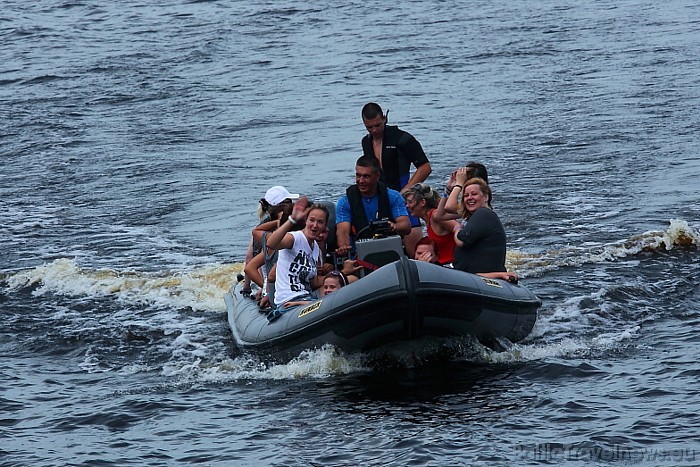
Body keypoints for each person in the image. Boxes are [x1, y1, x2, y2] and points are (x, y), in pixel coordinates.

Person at [361, 102, 431, 257]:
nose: (374, 130)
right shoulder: (366, 142)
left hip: (404, 195)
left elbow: (425, 167)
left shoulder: (402, 138)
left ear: (384, 118)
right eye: (369, 127)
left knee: (414, 247)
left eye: (377, 125)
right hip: (382, 196)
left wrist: (407, 189)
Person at [335, 155, 412, 257]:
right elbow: (343, 231)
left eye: (366, 176)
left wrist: (394, 226)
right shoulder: (345, 202)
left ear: (377, 176)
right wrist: (344, 246)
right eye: (358, 175)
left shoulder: (393, 197)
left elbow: (406, 226)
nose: (361, 181)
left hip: (389, 250)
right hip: (360, 254)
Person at [449, 174, 517, 282]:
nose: (469, 198)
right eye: (466, 195)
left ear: (486, 197)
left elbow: (462, 241)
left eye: (474, 194)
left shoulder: (483, 214)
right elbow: (441, 215)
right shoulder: (478, 217)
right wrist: (450, 189)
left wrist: (457, 229)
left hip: (480, 278)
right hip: (472, 276)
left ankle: (498, 275)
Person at [265, 197, 328, 310]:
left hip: (306, 298)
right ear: (306, 221)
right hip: (289, 301)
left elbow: (313, 282)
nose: (315, 225)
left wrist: (339, 275)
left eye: (320, 222)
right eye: (312, 220)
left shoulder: (316, 249)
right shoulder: (294, 238)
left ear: (324, 226)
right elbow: (271, 243)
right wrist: (292, 219)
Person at [403, 183, 460, 265]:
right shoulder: (428, 219)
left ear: (422, 202)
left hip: (451, 266)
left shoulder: (435, 216)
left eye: (410, 202)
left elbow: (458, 228)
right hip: (440, 265)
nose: (407, 206)